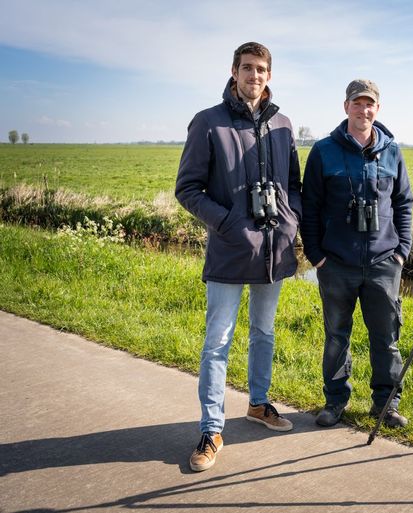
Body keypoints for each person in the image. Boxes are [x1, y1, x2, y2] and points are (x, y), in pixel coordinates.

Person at [176, 42, 302, 472]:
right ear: (234, 72)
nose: (255, 75)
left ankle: (259, 403)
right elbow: (187, 189)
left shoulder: (282, 124)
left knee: (264, 333)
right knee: (218, 343)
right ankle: (211, 429)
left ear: (270, 75)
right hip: (230, 250)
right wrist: (229, 224)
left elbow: (294, 184)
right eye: (247, 68)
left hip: (274, 251)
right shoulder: (208, 123)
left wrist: (290, 220)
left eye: (262, 69)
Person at [301, 79, 413, 428]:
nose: (363, 110)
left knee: (386, 338)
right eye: (357, 103)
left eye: (370, 104)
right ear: (345, 106)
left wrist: (402, 252)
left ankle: (386, 404)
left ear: (377, 110)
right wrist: (317, 255)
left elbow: (404, 203)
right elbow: (310, 208)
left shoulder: (392, 151)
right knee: (337, 336)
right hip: (336, 264)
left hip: (383, 263)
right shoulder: (323, 151)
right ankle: (335, 401)